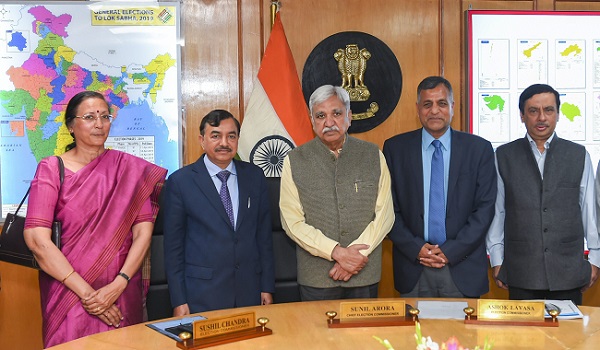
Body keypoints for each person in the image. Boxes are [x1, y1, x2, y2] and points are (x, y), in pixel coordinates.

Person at [24, 91, 167, 347]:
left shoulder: (129, 170)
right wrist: (90, 297)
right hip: (69, 293)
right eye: (89, 117)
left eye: (104, 116)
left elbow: (143, 233)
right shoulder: (51, 168)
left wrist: (118, 284)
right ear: (71, 125)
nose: (99, 124)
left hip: (120, 292)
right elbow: (37, 240)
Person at [382, 76, 497, 298]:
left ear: (452, 107)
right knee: (413, 333)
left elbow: (484, 209)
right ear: (418, 109)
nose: (434, 111)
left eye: (442, 103)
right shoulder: (395, 149)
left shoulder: (479, 149)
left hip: (462, 267)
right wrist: (416, 248)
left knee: (462, 334)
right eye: (427, 104)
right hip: (413, 266)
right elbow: (387, 208)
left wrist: (450, 251)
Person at [487, 83, 600, 305]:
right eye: (533, 111)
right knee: (524, 339)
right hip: (521, 271)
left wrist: (595, 258)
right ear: (522, 116)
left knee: (569, 338)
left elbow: (589, 212)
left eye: (549, 110)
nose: (541, 118)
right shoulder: (503, 155)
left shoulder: (578, 155)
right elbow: (498, 212)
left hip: (568, 271)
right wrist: (497, 259)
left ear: (557, 114)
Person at [280, 84, 394, 301]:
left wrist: (355, 258)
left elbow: (385, 215)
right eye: (321, 115)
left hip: (364, 274)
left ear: (349, 116)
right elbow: (291, 221)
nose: (329, 122)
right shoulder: (294, 160)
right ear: (312, 121)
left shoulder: (373, 155)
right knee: (317, 335)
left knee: (366, 336)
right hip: (317, 278)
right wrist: (336, 252)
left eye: (337, 113)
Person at [163, 109, 274, 315]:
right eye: (216, 136)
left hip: (249, 292)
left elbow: (264, 238)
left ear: (237, 140)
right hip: (201, 294)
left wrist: (266, 286)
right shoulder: (181, 182)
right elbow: (173, 249)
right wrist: (178, 300)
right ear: (202, 140)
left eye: (231, 136)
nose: (224, 143)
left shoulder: (255, 176)